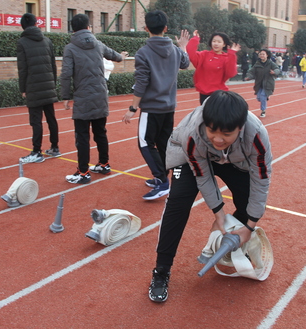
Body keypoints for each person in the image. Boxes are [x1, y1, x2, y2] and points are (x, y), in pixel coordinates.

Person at [148, 90, 272, 302]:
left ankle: (233, 236)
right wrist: (218, 213)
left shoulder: (257, 136)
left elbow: (261, 181)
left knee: (248, 198)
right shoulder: (192, 132)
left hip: (235, 159)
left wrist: (249, 226)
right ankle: (161, 270)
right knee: (178, 202)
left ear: (240, 128)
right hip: (189, 156)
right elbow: (202, 174)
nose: (218, 138)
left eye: (226, 133)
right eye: (212, 130)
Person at [122, 10, 189, 200]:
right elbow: (185, 62)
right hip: (169, 107)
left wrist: (133, 108)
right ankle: (163, 177)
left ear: (146, 29)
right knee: (163, 143)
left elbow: (141, 82)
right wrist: (183, 46)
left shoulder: (143, 53)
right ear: (165, 28)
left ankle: (161, 180)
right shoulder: (175, 50)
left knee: (145, 143)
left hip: (152, 108)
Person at [61, 14, 128, 184]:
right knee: (100, 132)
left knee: (82, 136)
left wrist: (65, 97)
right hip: (100, 95)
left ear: (73, 29)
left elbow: (66, 74)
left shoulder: (70, 48)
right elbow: (114, 55)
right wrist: (122, 56)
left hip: (83, 97)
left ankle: (83, 172)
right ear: (89, 27)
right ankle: (104, 164)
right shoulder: (97, 44)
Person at [17, 13, 60, 164]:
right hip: (48, 85)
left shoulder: (22, 42)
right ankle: (55, 147)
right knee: (51, 118)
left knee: (36, 121)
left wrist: (23, 88)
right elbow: (53, 65)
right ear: (36, 24)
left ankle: (37, 152)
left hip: (33, 87)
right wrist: (52, 83)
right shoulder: (47, 41)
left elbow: (22, 69)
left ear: (23, 26)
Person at [187, 30, 240, 104]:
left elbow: (231, 73)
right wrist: (195, 39)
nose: (216, 44)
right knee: (206, 114)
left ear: (224, 44)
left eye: (219, 42)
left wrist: (231, 54)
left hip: (219, 94)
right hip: (204, 94)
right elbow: (191, 53)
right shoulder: (204, 55)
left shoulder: (227, 58)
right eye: (214, 41)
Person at [244, 49, 280, 118]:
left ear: (267, 55)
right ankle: (266, 97)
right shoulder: (257, 64)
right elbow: (252, 72)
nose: (262, 55)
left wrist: (274, 72)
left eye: (263, 54)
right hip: (259, 83)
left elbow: (277, 69)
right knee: (258, 98)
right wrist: (249, 77)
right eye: (260, 54)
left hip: (268, 83)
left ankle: (263, 111)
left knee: (263, 96)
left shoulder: (271, 63)